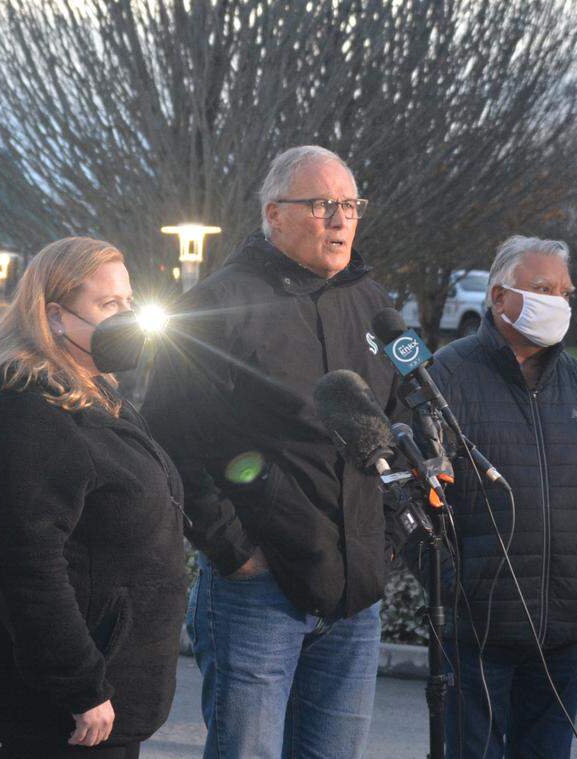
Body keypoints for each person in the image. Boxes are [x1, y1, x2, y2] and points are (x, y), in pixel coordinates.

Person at [143, 145, 409, 758]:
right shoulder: (217, 307)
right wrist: (234, 549)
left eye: (349, 205)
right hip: (258, 591)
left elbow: (397, 425)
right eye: (322, 205)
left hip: (354, 595)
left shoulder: (373, 304)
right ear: (274, 214)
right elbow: (167, 438)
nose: (341, 219)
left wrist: (385, 534)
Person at [0, 237, 187, 759]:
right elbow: (24, 565)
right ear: (54, 316)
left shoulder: (98, 393)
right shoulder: (21, 414)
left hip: (110, 697)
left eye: (128, 302)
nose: (124, 317)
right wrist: (80, 685)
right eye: (107, 305)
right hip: (58, 713)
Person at [406, 235, 577, 758]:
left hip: (564, 630)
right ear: (498, 296)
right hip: (478, 632)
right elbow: (411, 497)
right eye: (540, 288)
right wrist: (453, 584)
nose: (557, 301)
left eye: (564, 292)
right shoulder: (446, 378)